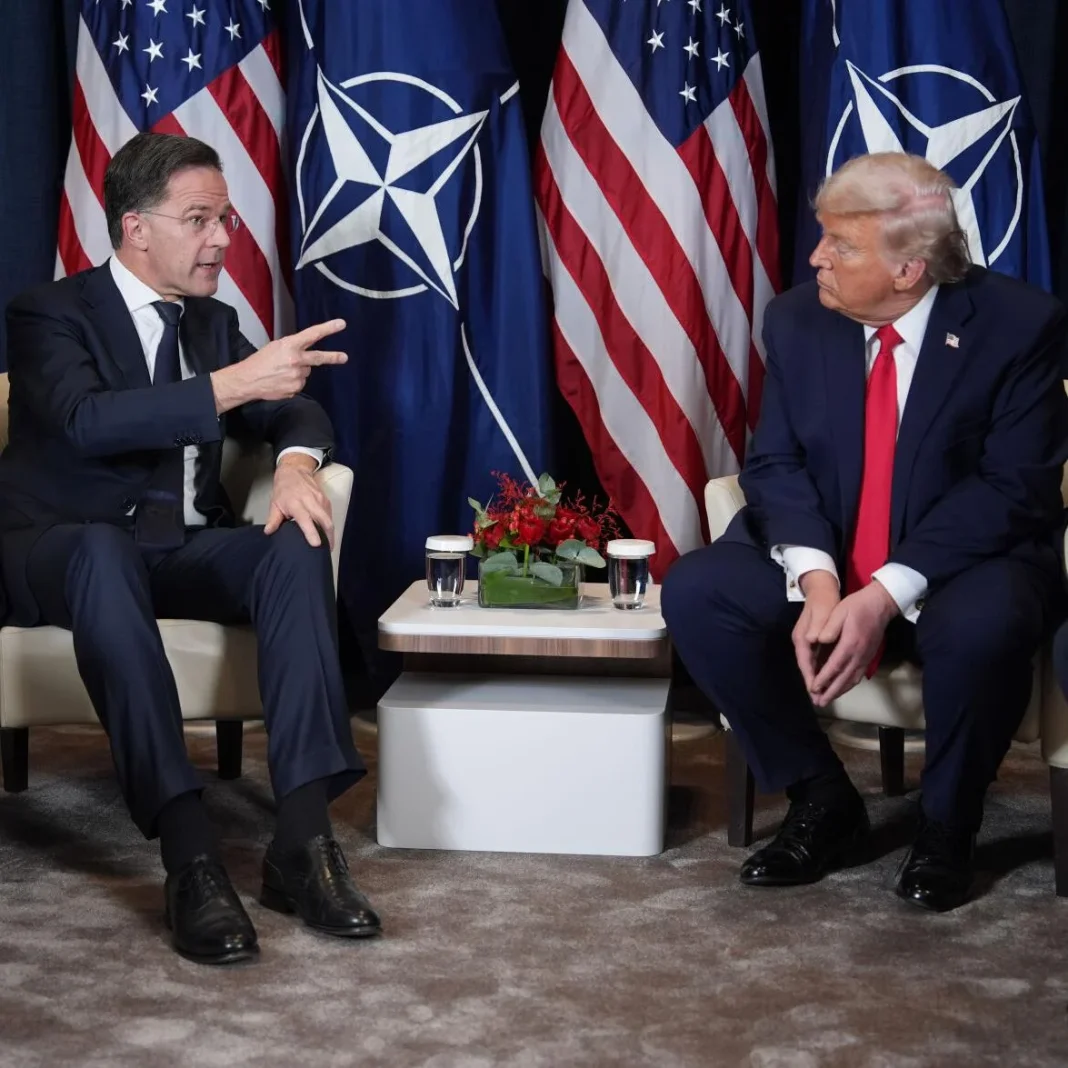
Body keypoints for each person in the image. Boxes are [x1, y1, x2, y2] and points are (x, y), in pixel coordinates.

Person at [0, 132, 382, 964]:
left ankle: (302, 844)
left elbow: (294, 409)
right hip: (60, 550)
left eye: (226, 220)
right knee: (103, 553)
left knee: (292, 541)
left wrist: (293, 466)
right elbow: (86, 421)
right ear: (136, 228)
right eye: (200, 219)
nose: (220, 239)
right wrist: (235, 384)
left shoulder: (213, 322)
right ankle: (190, 857)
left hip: (177, 548)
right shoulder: (49, 313)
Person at [662, 152, 1068, 913]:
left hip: (961, 562)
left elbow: (1014, 487)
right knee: (700, 589)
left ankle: (947, 826)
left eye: (841, 246)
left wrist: (882, 594)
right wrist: (819, 581)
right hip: (833, 547)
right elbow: (776, 462)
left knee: (984, 622)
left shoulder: (1019, 325)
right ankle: (822, 798)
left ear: (909, 269)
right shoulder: (798, 318)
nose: (817, 257)